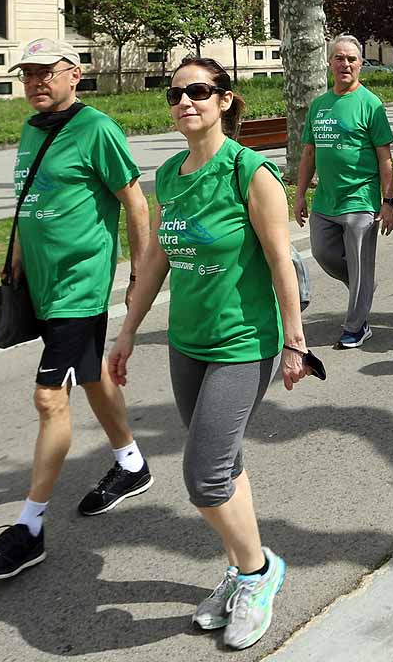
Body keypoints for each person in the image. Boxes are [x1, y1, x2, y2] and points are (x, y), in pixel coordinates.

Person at [108, 57, 319, 650]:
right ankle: (240, 568)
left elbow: (282, 262)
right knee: (227, 465)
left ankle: (258, 573)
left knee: (204, 479)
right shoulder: (170, 175)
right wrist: (127, 332)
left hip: (243, 344)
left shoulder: (250, 173)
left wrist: (295, 342)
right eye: (173, 93)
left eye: (198, 91)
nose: (184, 102)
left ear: (225, 99)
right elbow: (156, 261)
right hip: (188, 345)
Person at [0, 39, 153, 580]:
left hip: (79, 286)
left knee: (51, 397)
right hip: (42, 288)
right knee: (93, 378)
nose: (36, 83)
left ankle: (29, 527)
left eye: (47, 73)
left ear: (75, 74)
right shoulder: (31, 130)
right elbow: (30, 202)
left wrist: (138, 276)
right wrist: (18, 261)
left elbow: (135, 201)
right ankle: (132, 465)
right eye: (27, 75)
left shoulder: (96, 128)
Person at [295, 35, 393, 349]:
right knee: (324, 254)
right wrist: (300, 195)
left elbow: (385, 157)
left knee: (360, 263)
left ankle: (356, 326)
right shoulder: (320, 105)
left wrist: (388, 201)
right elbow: (309, 154)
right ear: (330, 63)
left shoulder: (371, 104)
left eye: (352, 59)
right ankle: (362, 287)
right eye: (339, 58)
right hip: (326, 201)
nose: (345, 64)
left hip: (360, 200)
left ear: (360, 65)